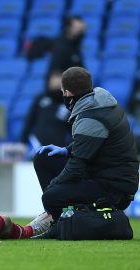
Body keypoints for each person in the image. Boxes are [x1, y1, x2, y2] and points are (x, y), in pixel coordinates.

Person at [32, 67, 139, 238]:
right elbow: (94, 144)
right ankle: (61, 219)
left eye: (62, 92)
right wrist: (66, 150)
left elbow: (76, 168)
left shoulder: (91, 116)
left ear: (67, 92)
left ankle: (63, 223)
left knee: (52, 197)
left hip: (114, 187)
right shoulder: (97, 103)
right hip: (105, 174)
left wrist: (54, 187)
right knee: (45, 158)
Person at [20, 72, 71, 176]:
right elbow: (30, 120)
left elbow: (72, 128)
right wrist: (23, 141)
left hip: (58, 148)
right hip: (36, 145)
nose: (56, 82)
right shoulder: (40, 98)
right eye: (54, 78)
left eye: (59, 79)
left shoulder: (68, 102)